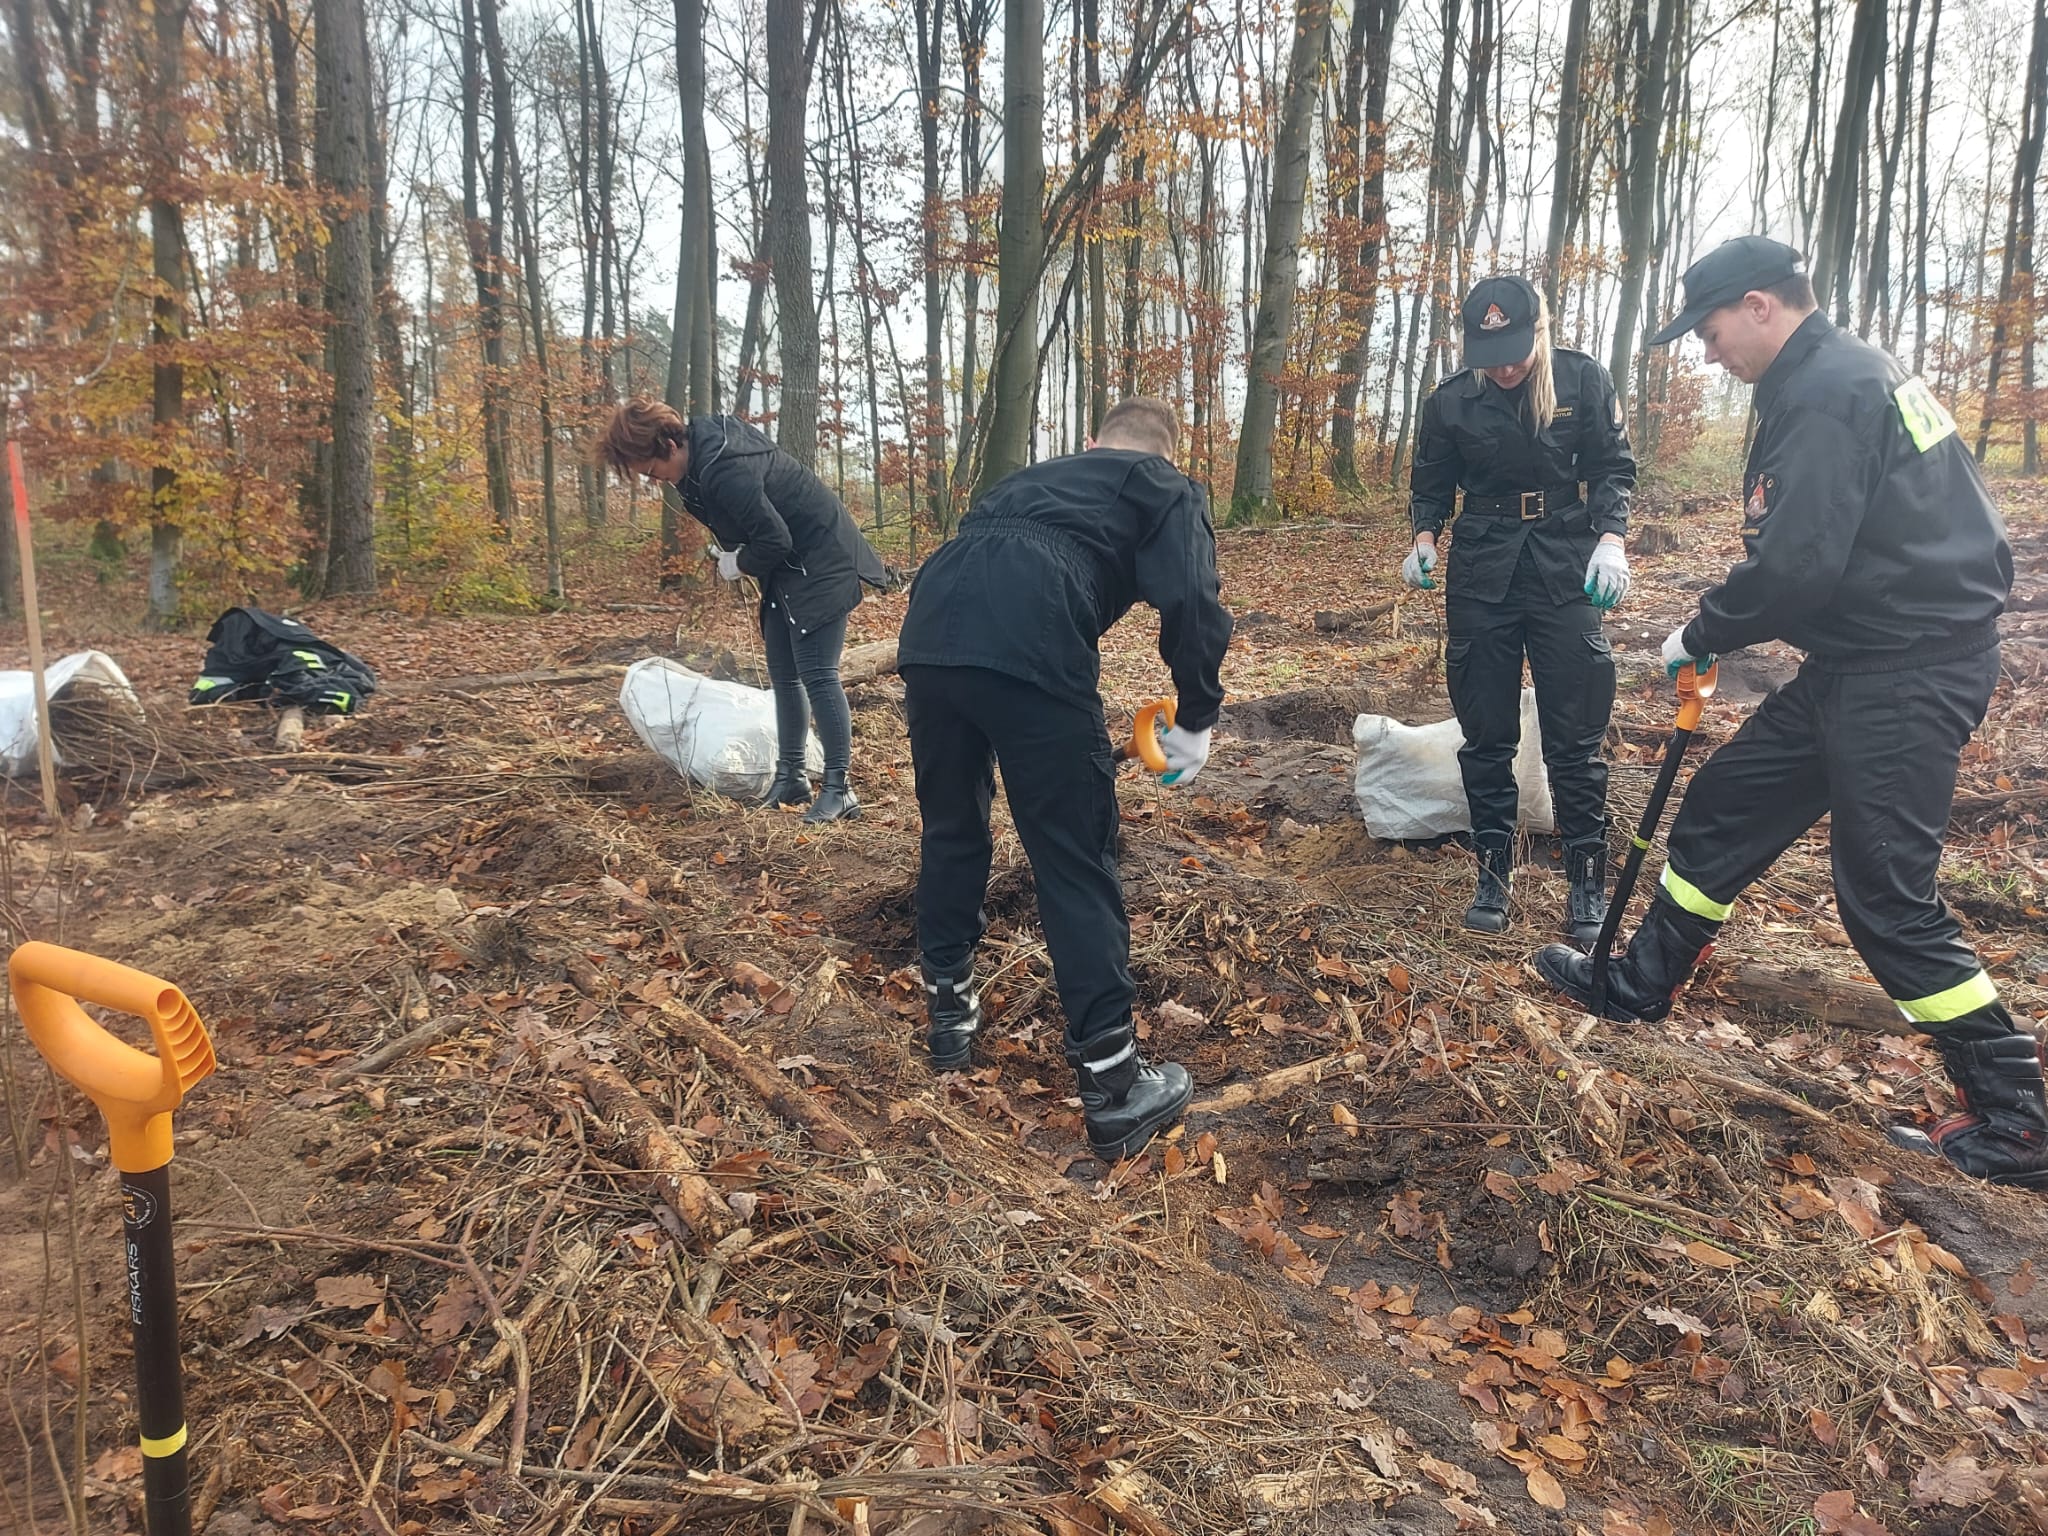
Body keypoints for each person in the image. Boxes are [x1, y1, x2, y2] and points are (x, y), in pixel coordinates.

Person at [1533, 236, 2039, 1188]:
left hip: (1909, 671)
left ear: (1760, 305)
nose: (1708, 351)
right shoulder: (1833, 375)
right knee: (1727, 803)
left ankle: (2017, 1120)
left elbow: (1797, 566)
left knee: (1886, 897)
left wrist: (1703, 630)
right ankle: (1638, 983)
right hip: (1859, 659)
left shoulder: (1827, 392)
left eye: (1712, 329)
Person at [896, 398, 1233, 1163]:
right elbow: (1192, 598)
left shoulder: (1032, 479)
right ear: (1164, 455)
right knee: (1073, 855)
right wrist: (1197, 718)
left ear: (1090, 442)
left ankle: (949, 1017)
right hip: (1032, 628)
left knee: (952, 827)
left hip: (931, 625)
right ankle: (1115, 1089)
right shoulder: (1163, 484)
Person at [1403, 275, 1637, 943]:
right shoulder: (1450, 401)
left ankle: (1586, 879)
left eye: (1514, 353)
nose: (1504, 369)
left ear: (1539, 332)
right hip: (1483, 569)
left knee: (1576, 734)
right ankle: (1493, 872)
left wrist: (1612, 541)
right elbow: (1431, 482)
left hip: (1566, 562)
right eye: (1491, 356)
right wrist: (1424, 539)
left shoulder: (1582, 380)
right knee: (1486, 732)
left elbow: (1612, 466)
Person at [600, 399, 887, 823]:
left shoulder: (724, 466)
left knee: (817, 673)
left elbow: (775, 539)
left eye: (652, 470)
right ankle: (791, 777)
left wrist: (740, 562)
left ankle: (839, 789)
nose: (655, 480)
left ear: (669, 444)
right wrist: (734, 551)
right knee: (783, 673)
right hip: (787, 568)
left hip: (822, 560)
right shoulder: (698, 464)